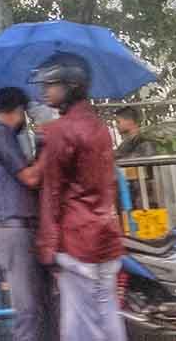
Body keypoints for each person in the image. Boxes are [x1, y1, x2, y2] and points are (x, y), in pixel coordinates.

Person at [33, 54, 125, 341]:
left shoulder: (59, 131)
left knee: (78, 326)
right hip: (106, 237)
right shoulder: (101, 127)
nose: (45, 89)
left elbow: (52, 193)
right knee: (108, 317)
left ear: (71, 86)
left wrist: (47, 247)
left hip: (77, 241)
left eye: (52, 83)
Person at [0, 87, 56, 341]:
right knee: (28, 308)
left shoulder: (5, 138)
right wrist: (46, 146)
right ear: (18, 111)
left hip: (22, 227)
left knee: (40, 305)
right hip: (14, 228)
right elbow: (31, 177)